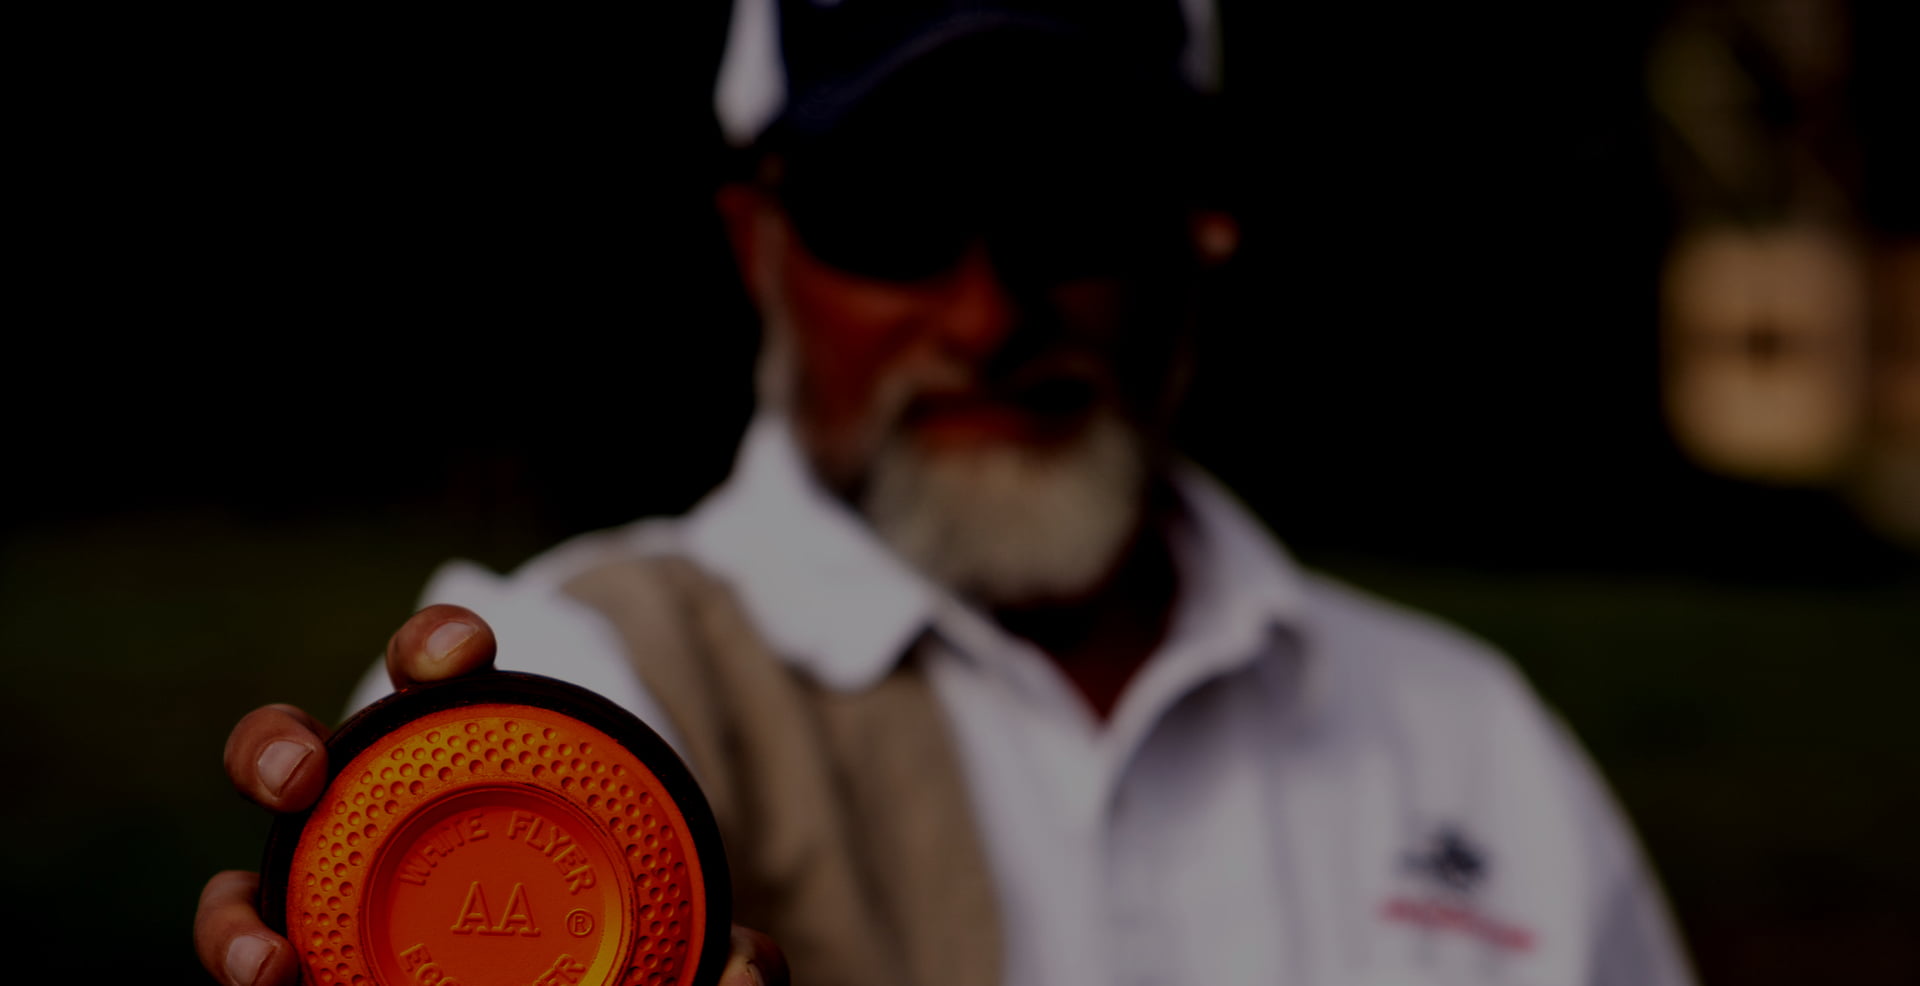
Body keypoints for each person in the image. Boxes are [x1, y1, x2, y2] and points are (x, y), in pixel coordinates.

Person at [195, 2, 1697, 984]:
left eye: (1071, 196)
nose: (986, 315)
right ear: (754, 245)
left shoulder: (1474, 747)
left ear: (1200, 222)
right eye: (892, 207)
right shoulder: (572, 681)